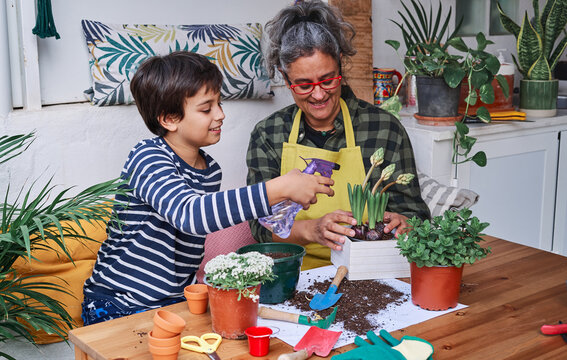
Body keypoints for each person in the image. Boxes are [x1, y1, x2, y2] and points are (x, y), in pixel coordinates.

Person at [81, 51, 334, 325]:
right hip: (118, 303)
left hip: (174, 302)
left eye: (219, 103)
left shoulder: (209, 169)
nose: (221, 114)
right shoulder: (147, 157)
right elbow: (191, 216)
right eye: (206, 108)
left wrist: (286, 200)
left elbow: (212, 216)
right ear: (168, 119)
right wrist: (280, 187)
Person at [246, 0, 430, 270]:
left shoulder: (383, 128)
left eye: (327, 79)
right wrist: (312, 230)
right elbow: (260, 230)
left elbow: (417, 216)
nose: (318, 95)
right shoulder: (269, 135)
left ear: (341, 66)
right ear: (287, 80)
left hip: (371, 273)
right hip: (296, 274)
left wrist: (406, 223)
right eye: (304, 85)